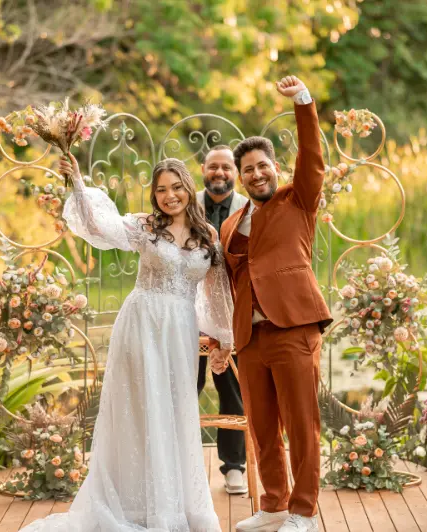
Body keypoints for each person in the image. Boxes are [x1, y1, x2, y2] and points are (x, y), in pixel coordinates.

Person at [19, 155, 234, 532]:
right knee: (141, 408)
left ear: (188, 187)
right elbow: (96, 226)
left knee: (174, 408)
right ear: (154, 195)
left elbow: (214, 295)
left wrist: (224, 341)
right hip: (142, 324)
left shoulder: (208, 237)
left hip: (180, 331)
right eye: (161, 190)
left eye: (177, 187)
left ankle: (175, 504)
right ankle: (136, 505)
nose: (170, 196)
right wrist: (78, 183)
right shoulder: (146, 227)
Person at [212, 76, 332, 532]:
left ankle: (303, 512)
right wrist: (224, 339)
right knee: (262, 429)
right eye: (248, 170)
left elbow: (313, 158)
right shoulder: (230, 225)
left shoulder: (298, 199)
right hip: (251, 337)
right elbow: (227, 286)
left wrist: (302, 102)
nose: (257, 174)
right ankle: (274, 505)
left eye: (263, 166)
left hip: (294, 327)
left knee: (301, 426)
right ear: (240, 179)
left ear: (274, 168)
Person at [196, 145, 249, 495]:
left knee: (233, 390)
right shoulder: (186, 203)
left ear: (236, 172)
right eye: (213, 167)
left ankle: (234, 468)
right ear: (203, 169)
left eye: (226, 167)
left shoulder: (249, 207)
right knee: (184, 387)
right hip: (188, 311)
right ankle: (181, 467)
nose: (220, 173)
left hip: (232, 313)